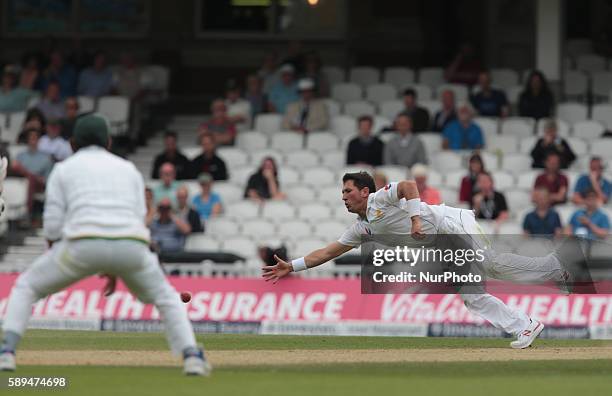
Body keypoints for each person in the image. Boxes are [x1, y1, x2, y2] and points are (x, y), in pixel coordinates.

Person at [0, 114, 210, 375]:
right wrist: (115, 267)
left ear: (73, 143)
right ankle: (191, 356)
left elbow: (53, 226)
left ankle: (6, 352)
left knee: (26, 286)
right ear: (108, 141)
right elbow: (135, 219)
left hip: (81, 245)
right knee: (166, 297)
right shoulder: (128, 168)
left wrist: (54, 259)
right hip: (131, 246)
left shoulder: (64, 169)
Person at [263, 171, 568, 349]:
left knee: (491, 266)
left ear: (364, 191)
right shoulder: (362, 227)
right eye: (341, 192)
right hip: (445, 242)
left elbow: (409, 185)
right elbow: (328, 252)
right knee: (471, 294)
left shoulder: (380, 198)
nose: (343, 196)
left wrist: (416, 221)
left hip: (453, 226)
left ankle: (553, 270)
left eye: (348, 190)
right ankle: (526, 324)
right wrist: (293, 265)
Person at [11, 129, 54, 219]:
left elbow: (48, 180)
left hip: (39, 184)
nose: (33, 141)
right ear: (28, 140)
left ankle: (27, 211)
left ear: (39, 140)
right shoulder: (20, 156)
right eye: (31, 138)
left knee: (31, 178)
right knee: (26, 177)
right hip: (23, 183)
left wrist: (33, 177)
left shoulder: (45, 158)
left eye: (35, 138)